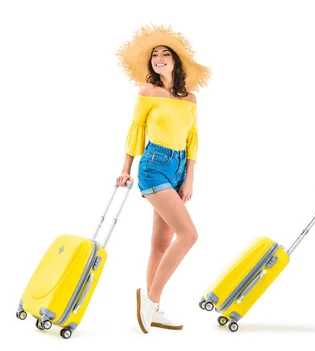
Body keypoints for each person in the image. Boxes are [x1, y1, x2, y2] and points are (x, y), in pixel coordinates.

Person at [115, 24, 211, 334]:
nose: (159, 58)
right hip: (154, 165)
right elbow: (136, 130)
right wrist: (125, 168)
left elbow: (193, 138)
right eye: (155, 55)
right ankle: (150, 298)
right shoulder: (147, 91)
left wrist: (190, 178)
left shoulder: (190, 99)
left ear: (176, 63)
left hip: (179, 169)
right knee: (189, 235)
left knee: (161, 242)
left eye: (165, 54)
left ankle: (152, 309)